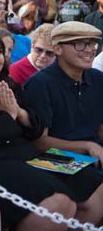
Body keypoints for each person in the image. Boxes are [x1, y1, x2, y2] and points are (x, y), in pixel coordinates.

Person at [0, 29, 100, 230]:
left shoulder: (5, 83)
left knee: (93, 181)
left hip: (26, 153)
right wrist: (7, 117)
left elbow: (36, 130)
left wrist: (20, 113)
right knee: (60, 202)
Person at [24, 23, 103, 178]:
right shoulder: (40, 84)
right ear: (58, 49)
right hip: (51, 157)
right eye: (80, 44)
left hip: (93, 154)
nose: (89, 50)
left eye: (92, 44)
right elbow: (38, 142)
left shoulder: (97, 78)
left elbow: (100, 127)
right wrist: (88, 146)